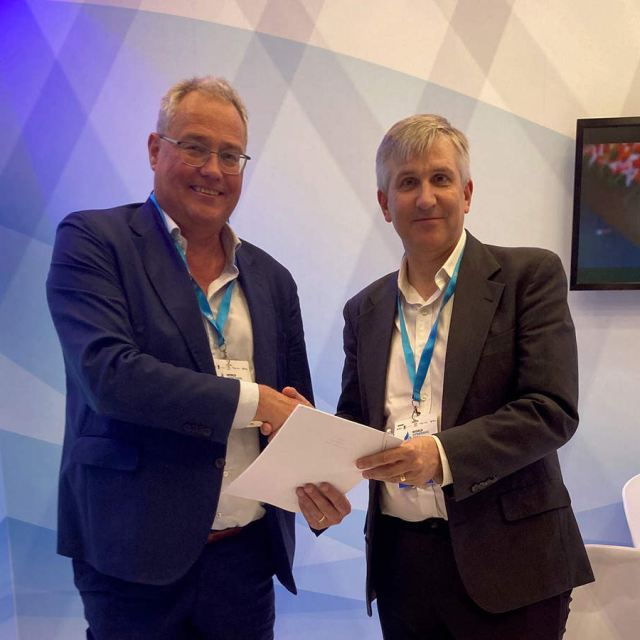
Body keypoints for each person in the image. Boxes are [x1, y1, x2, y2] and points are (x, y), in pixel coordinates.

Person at [46, 76, 348, 640]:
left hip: (245, 562)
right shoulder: (94, 241)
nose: (213, 169)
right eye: (194, 147)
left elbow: (292, 410)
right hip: (131, 560)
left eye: (230, 156)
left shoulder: (273, 279)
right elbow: (110, 376)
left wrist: (316, 485)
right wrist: (256, 402)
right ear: (155, 149)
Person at [336, 114, 594, 639]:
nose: (426, 198)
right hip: (401, 566)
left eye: (441, 178)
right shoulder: (363, 309)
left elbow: (551, 409)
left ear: (467, 193)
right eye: (407, 182)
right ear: (384, 204)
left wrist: (440, 455)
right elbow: (355, 420)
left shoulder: (529, 277)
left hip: (512, 565)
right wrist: (311, 450)